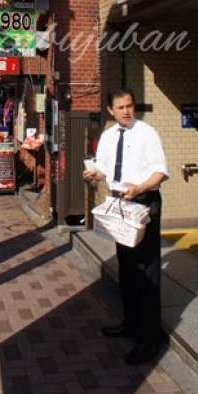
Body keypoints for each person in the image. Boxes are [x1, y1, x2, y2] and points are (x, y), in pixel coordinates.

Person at [84, 88, 168, 365]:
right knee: (127, 267)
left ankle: (149, 339)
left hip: (143, 201)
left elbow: (160, 172)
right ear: (111, 110)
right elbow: (104, 168)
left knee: (147, 270)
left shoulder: (147, 133)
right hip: (120, 202)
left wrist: (140, 188)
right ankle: (130, 323)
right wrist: (93, 174)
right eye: (120, 107)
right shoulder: (108, 136)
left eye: (129, 105)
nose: (126, 111)